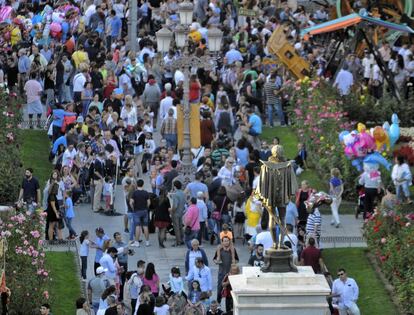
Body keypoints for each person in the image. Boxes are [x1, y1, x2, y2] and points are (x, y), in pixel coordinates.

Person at [213, 236, 239, 303]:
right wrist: (217, 261)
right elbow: (214, 259)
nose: (226, 242)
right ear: (222, 242)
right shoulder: (219, 249)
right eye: (225, 241)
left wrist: (233, 262)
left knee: (230, 291)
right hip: (221, 273)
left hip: (231, 274)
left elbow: (237, 259)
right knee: (219, 289)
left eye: (227, 241)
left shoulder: (233, 249)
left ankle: (230, 307)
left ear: (229, 241)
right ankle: (218, 304)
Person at [129, 179, 151, 247]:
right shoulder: (146, 192)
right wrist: (146, 207)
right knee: (145, 226)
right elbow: (149, 202)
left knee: (137, 227)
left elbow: (131, 202)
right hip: (144, 211)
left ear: (136, 185)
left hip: (137, 211)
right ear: (143, 184)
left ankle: (137, 242)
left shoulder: (134, 193)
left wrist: (133, 208)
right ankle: (147, 242)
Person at [170, 181, 186, 246]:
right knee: (180, 226)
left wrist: (171, 211)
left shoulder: (175, 194)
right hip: (181, 211)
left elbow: (175, 206)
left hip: (176, 213)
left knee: (176, 227)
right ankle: (182, 239)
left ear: (175, 186)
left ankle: (178, 241)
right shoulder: (183, 193)